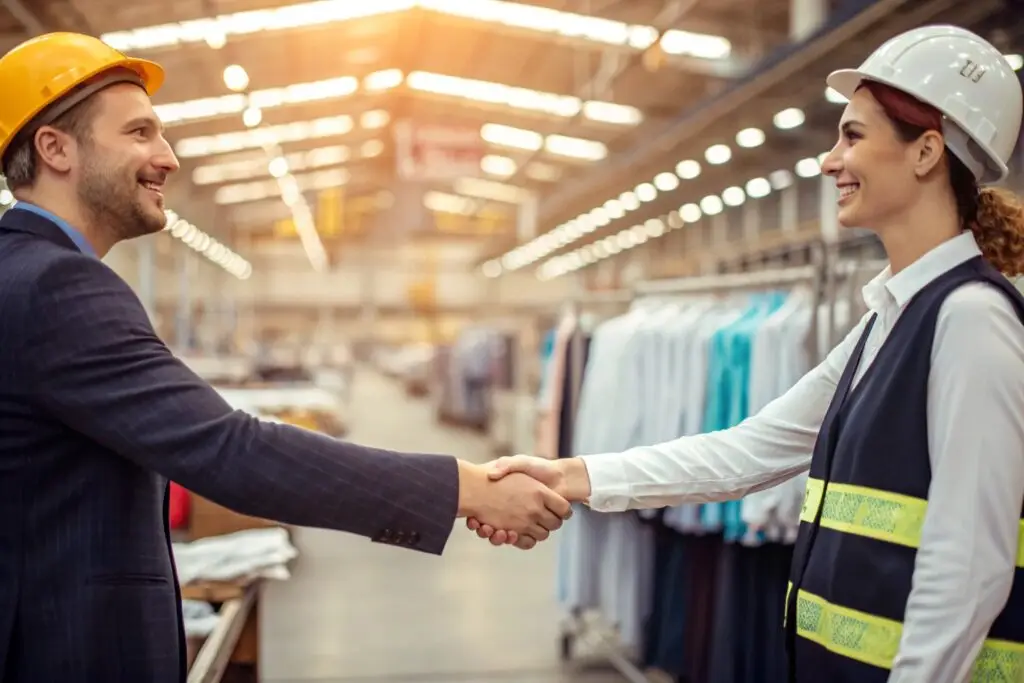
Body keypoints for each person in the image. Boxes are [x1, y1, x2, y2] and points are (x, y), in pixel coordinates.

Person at [0, 32, 570, 683]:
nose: (168, 158)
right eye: (139, 132)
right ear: (55, 147)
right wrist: (467, 488)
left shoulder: (20, 273)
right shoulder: (57, 286)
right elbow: (230, 451)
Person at [471, 24, 1024, 683]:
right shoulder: (891, 320)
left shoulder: (970, 320)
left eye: (852, 135)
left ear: (927, 151)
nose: (828, 160)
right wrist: (570, 475)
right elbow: (750, 449)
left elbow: (968, 566)